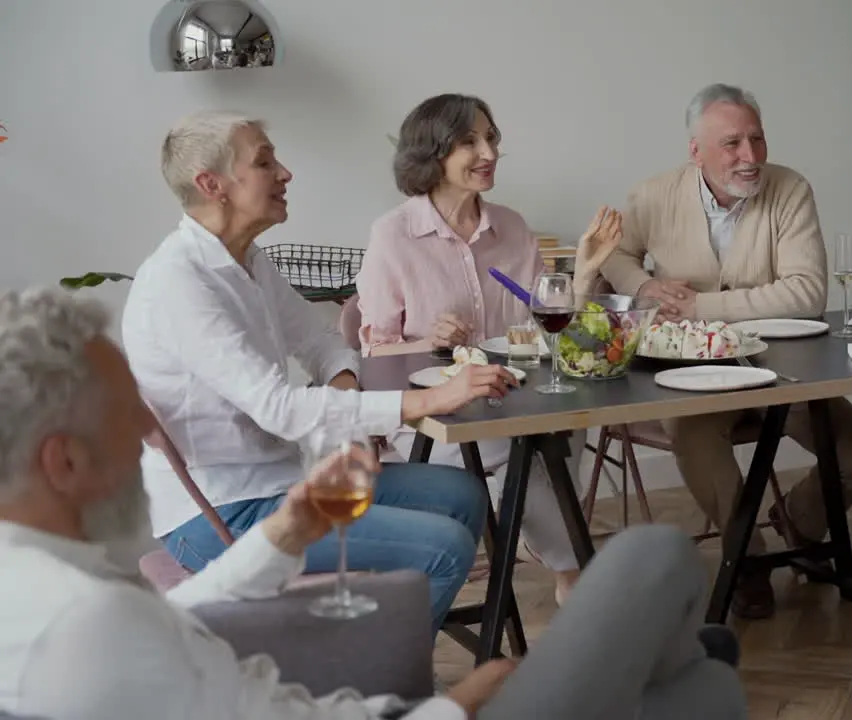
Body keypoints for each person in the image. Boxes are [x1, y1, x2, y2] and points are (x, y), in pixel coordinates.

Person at [0, 288, 749, 720]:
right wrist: (454, 707)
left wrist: (289, 531)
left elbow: (179, 622)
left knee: (705, 691)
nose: (146, 430)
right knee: (654, 558)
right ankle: (672, 657)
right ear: (61, 460)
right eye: (122, 413)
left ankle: (675, 663)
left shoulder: (45, 585)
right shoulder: (84, 627)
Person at [120, 110, 518, 632]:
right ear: (211, 185)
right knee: (444, 549)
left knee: (462, 494)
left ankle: (383, 651)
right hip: (222, 514)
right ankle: (370, 682)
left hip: (284, 481)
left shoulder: (247, 260)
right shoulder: (179, 282)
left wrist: (350, 420)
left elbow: (323, 342)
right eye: (265, 162)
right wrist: (418, 402)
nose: (285, 173)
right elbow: (277, 409)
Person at [600, 83, 852, 620]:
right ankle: (746, 560)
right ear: (696, 151)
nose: (750, 156)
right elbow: (613, 256)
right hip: (693, 372)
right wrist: (643, 287)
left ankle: (798, 522)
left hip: (784, 367)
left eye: (757, 139)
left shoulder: (790, 189)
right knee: (694, 432)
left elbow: (807, 294)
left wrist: (702, 306)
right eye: (732, 143)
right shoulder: (652, 195)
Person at [357, 94, 621, 604]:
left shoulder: (512, 227)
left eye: (491, 138)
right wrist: (427, 342)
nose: (489, 152)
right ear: (433, 153)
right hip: (440, 422)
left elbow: (553, 329)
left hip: (517, 404)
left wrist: (584, 271)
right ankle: (576, 577)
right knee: (537, 457)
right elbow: (375, 353)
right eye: (469, 141)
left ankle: (558, 560)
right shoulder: (393, 235)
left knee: (562, 424)